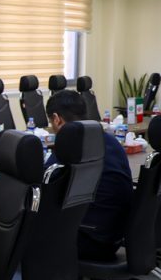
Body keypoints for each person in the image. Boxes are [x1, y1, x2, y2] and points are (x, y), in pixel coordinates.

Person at [46, 90, 133, 260]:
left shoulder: (70, 143)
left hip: (89, 239)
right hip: (116, 236)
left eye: (51, 123)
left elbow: (44, 184)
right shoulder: (111, 140)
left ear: (57, 119)